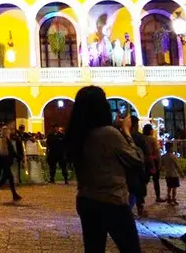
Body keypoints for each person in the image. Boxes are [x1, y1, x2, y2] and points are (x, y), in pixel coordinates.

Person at [66, 85, 143, 253]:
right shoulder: (109, 134)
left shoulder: (77, 135)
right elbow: (137, 159)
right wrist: (126, 131)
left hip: (86, 200)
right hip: (112, 200)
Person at [0, 124, 22, 202]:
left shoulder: (5, 139)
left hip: (5, 162)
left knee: (6, 179)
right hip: (4, 162)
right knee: (8, 178)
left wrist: (16, 156)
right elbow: (4, 152)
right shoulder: (2, 139)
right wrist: (16, 156)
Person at [128, 116, 150, 217]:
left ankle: (131, 209)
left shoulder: (125, 136)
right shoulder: (139, 137)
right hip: (139, 166)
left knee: (131, 188)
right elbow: (147, 153)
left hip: (127, 166)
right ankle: (137, 209)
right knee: (139, 188)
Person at [142, 124, 163, 203]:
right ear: (150, 130)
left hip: (145, 161)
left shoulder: (142, 138)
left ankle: (141, 197)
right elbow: (156, 152)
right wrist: (159, 162)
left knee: (145, 180)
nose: (153, 130)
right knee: (156, 180)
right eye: (152, 129)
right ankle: (158, 197)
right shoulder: (152, 139)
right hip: (153, 161)